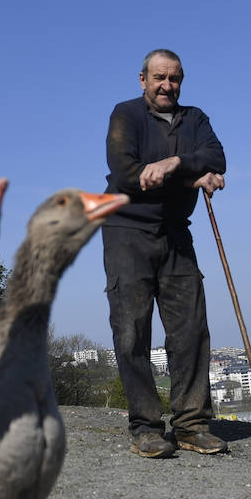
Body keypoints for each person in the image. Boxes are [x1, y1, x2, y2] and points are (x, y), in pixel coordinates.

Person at [102, 48, 228, 459]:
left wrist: (175, 162)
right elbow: (127, 175)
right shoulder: (125, 115)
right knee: (132, 330)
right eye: (158, 78)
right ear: (142, 80)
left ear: (181, 81)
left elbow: (217, 157)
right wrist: (190, 175)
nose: (166, 86)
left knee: (191, 327)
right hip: (126, 230)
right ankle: (146, 426)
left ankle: (191, 424)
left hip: (176, 232)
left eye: (173, 79)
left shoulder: (195, 119)